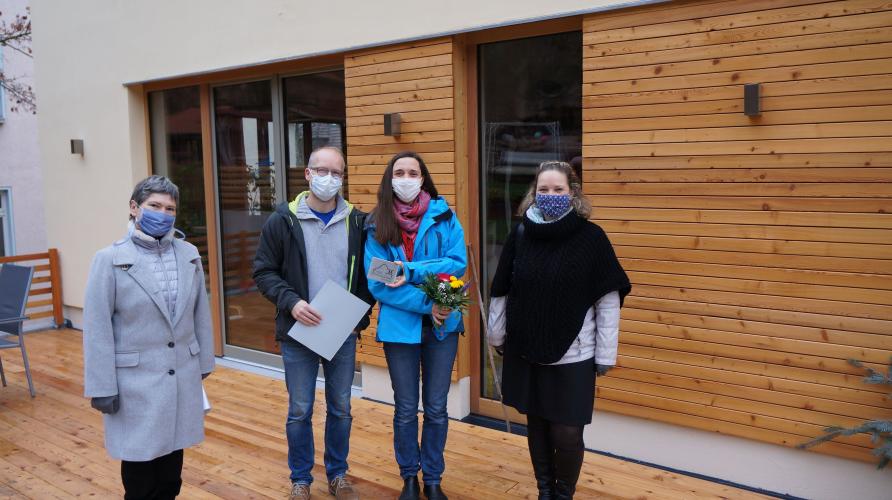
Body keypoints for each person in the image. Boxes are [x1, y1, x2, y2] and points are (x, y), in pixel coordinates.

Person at [487, 161, 631, 500]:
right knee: (537, 424)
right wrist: (496, 335)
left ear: (573, 193)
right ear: (533, 195)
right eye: (543, 190)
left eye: (558, 190)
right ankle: (544, 491)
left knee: (567, 432)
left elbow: (607, 299)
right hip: (526, 346)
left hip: (574, 352)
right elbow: (502, 288)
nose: (550, 196)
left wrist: (606, 353)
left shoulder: (591, 238)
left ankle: (563, 494)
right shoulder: (521, 234)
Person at [83, 175, 215, 499]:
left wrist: (204, 362)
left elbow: (201, 312)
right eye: (154, 205)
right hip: (133, 384)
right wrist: (101, 386)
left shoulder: (189, 254)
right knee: (142, 479)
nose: (163, 213)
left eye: (170, 208)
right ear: (134, 208)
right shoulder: (109, 259)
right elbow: (97, 328)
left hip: (181, 375)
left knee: (171, 475)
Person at [253, 146, 373, 500]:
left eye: (337, 173)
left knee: (341, 407)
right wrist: (291, 303)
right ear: (307, 174)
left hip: (342, 333)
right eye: (322, 171)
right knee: (300, 409)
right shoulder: (282, 220)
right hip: (298, 332)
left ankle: (337, 474)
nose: (329, 179)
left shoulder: (358, 223)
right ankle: (300, 479)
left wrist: (358, 318)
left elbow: (370, 277)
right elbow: (263, 271)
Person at [364, 151, 467, 500]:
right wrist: (429, 303)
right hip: (401, 328)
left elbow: (456, 263)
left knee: (436, 408)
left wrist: (408, 271)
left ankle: (433, 478)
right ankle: (409, 475)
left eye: (413, 172)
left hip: (443, 327)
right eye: (399, 172)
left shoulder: (445, 216)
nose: (406, 178)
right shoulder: (377, 224)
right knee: (406, 408)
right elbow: (378, 278)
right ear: (389, 179)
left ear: (423, 178)